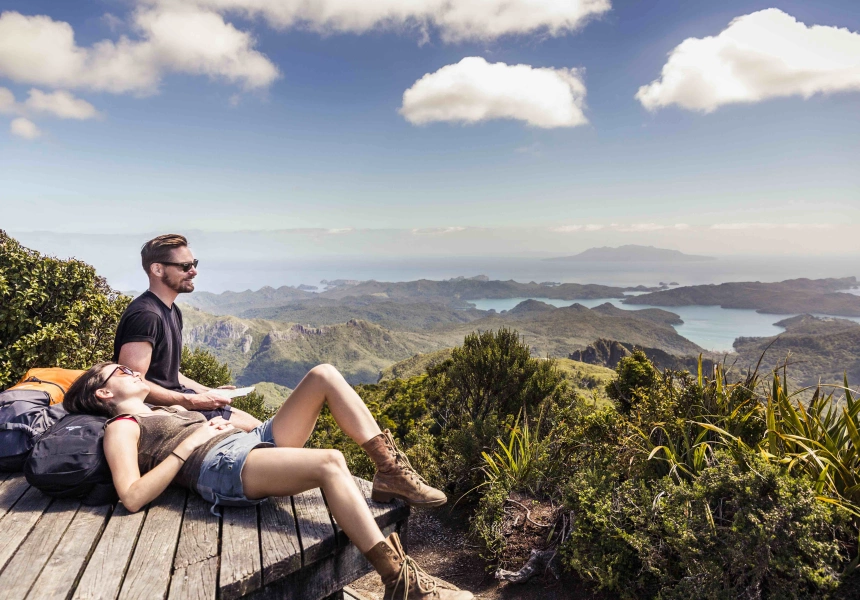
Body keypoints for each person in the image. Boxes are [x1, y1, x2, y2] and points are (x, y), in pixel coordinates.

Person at [63, 362, 468, 600]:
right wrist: (193, 443)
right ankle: (399, 581)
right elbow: (132, 496)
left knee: (323, 374)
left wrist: (222, 420)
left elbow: (224, 427)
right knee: (330, 462)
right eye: (119, 371)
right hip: (217, 465)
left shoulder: (155, 407)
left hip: (243, 443)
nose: (132, 369)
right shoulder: (122, 426)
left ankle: (389, 470)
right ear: (102, 394)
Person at [114, 234, 260, 432]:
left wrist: (208, 392)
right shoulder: (146, 315)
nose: (194, 271)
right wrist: (192, 401)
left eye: (194, 264)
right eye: (185, 266)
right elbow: (131, 383)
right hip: (164, 410)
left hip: (180, 401)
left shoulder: (172, 311)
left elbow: (169, 374)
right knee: (258, 429)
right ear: (157, 269)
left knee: (262, 427)